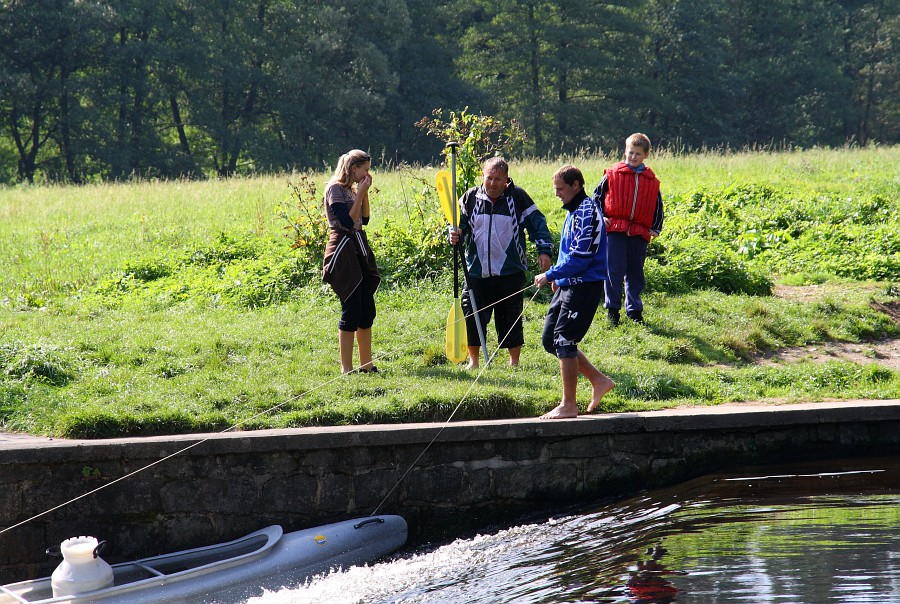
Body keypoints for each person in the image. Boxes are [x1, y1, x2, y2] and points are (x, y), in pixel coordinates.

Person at [449, 157, 553, 369]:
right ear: (482, 176)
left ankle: (514, 363)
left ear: (506, 179)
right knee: (472, 315)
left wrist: (544, 251)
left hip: (510, 271)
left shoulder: (518, 197)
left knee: (510, 317)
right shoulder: (470, 198)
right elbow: (458, 225)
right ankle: (474, 361)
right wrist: (454, 233)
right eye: (489, 178)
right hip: (476, 271)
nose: (493, 183)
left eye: (498, 179)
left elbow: (538, 224)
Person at [534, 165, 615, 419]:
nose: (557, 193)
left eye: (560, 188)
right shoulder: (574, 210)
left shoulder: (587, 213)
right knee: (551, 340)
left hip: (585, 285)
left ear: (576, 185)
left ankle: (569, 405)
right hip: (569, 283)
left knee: (565, 340)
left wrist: (550, 274)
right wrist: (560, 277)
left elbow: (581, 258)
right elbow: (567, 249)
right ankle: (599, 380)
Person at [593, 133, 664, 326]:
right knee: (613, 271)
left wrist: (656, 227)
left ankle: (634, 311)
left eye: (638, 154)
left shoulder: (652, 180)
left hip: (639, 232)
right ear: (625, 151)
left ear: (646, 155)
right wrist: (601, 217)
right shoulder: (612, 174)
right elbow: (597, 198)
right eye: (630, 152)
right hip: (615, 229)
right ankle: (612, 310)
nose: (633, 157)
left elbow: (657, 205)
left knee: (635, 273)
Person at [322, 149, 380, 374]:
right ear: (354, 169)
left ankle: (367, 365)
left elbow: (364, 219)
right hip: (342, 250)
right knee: (352, 307)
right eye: (365, 169)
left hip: (358, 247)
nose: (367, 174)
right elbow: (347, 222)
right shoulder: (334, 189)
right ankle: (347, 368)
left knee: (367, 309)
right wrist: (361, 191)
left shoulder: (352, 190)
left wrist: (363, 193)